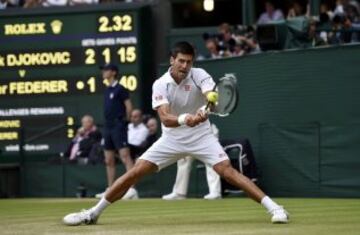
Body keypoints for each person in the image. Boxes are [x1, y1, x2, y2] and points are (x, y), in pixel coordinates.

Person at [63, 41, 289, 226]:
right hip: (171, 139)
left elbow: (210, 94)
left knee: (227, 172)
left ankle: (275, 208)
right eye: (181, 61)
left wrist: (203, 110)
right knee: (134, 173)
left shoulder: (200, 74)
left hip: (201, 136)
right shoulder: (160, 84)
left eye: (189, 62)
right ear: (173, 60)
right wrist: (185, 118)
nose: (185, 65)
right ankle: (92, 213)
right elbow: (165, 118)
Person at [94, 63, 138, 200]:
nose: (103, 73)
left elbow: (129, 107)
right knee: (108, 160)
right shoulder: (107, 90)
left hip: (118, 126)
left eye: (106, 70)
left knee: (125, 156)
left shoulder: (121, 89)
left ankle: (132, 189)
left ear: (113, 72)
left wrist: (125, 122)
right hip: (107, 127)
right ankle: (110, 190)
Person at [162, 124, 222, 200]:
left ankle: (215, 192)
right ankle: (179, 193)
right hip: (188, 135)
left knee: (211, 162)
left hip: (205, 133)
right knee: (183, 161)